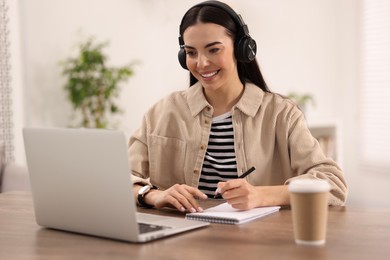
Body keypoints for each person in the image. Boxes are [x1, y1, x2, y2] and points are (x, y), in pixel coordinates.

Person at [129, 0, 348, 213]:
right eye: (191, 52)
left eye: (213, 50)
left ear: (242, 49)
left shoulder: (281, 114)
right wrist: (152, 195)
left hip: (258, 242)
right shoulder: (161, 113)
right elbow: (117, 178)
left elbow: (334, 185)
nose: (202, 63)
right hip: (181, 242)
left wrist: (260, 196)